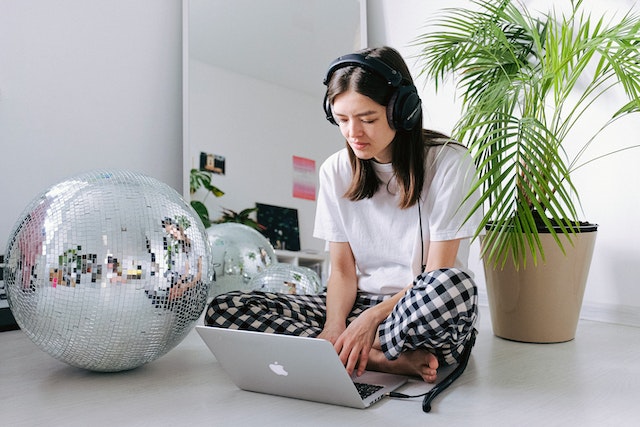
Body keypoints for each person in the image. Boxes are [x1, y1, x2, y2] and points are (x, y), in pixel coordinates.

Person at [205, 46, 482, 384]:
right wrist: (335, 326)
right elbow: (342, 271)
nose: (354, 133)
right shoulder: (335, 170)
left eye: (368, 119)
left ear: (401, 111)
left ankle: (352, 350)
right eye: (342, 120)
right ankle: (382, 361)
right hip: (356, 306)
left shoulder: (450, 162)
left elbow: (437, 270)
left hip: (415, 311)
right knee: (226, 308)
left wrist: (370, 322)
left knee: (454, 285)